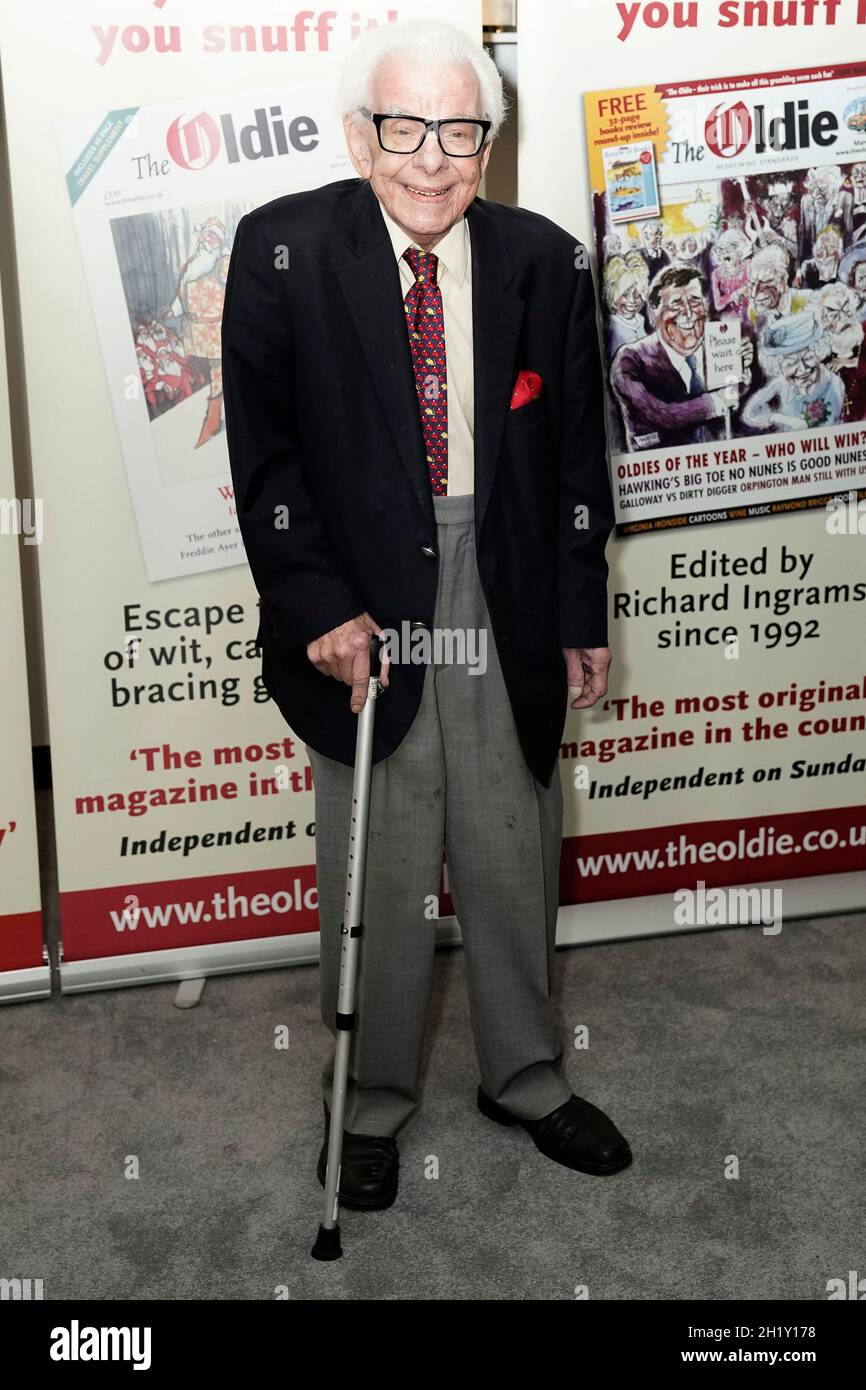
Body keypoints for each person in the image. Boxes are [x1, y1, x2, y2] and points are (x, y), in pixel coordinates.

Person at [221, 19, 630, 1213]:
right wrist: (319, 607)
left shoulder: (543, 260)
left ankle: (526, 1073)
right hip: (362, 594)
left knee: (510, 839)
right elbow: (268, 458)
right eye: (404, 129)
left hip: (497, 579)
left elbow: (569, 468)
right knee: (382, 858)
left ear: (487, 143)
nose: (432, 159)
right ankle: (372, 1100)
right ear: (360, 136)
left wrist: (574, 612)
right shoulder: (282, 248)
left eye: (459, 131)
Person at [610, 264, 752, 452]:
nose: (688, 312)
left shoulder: (717, 344)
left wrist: (741, 373)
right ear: (654, 313)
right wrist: (714, 403)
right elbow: (662, 413)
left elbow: (730, 394)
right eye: (676, 303)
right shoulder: (630, 360)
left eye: (694, 301)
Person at [742, 311, 845, 432]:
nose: (802, 369)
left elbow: (828, 433)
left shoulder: (833, 384)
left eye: (808, 358)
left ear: (817, 352)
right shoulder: (781, 382)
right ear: (778, 364)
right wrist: (783, 419)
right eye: (791, 363)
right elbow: (750, 413)